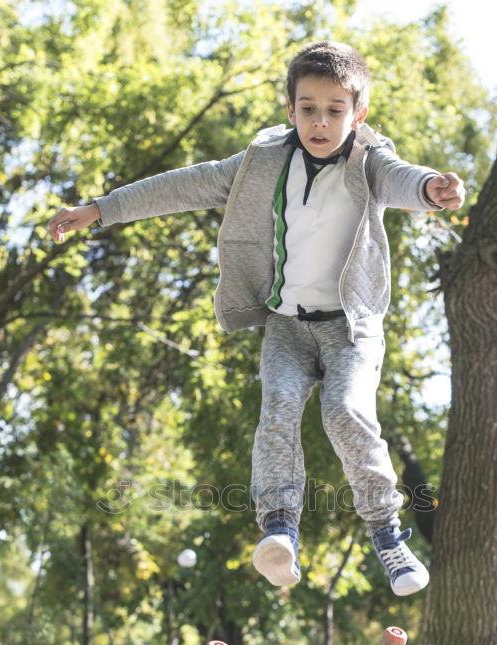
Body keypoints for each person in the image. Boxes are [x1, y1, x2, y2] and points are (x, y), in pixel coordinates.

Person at [47, 41, 464, 596]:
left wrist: (433, 189)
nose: (321, 121)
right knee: (278, 410)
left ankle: (388, 534)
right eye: (308, 107)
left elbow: (405, 179)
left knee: (344, 411)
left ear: (357, 114)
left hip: (350, 330)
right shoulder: (263, 162)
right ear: (290, 109)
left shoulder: (370, 160)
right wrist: (102, 209)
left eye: (335, 110)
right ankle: (280, 532)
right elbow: (185, 184)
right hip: (287, 326)